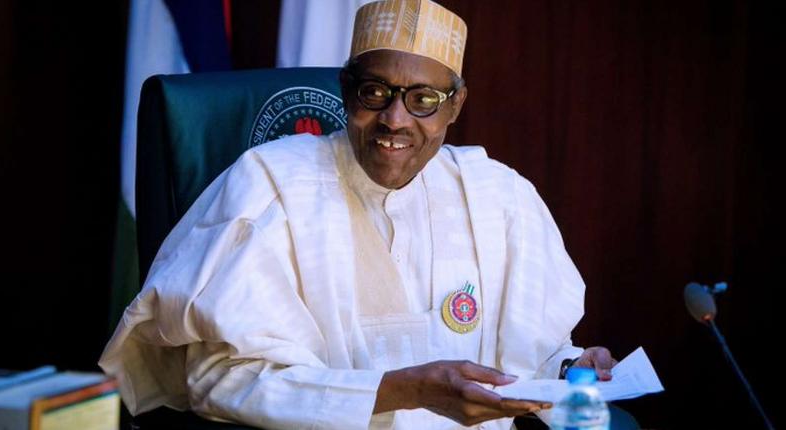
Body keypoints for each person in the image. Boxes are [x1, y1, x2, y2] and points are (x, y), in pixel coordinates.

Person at [100, 1, 618, 429]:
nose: (395, 120)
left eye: (423, 100)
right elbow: (219, 379)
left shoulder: (498, 196)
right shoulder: (270, 185)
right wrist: (401, 391)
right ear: (348, 90)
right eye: (376, 93)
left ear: (455, 107)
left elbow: (532, 355)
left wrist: (568, 370)